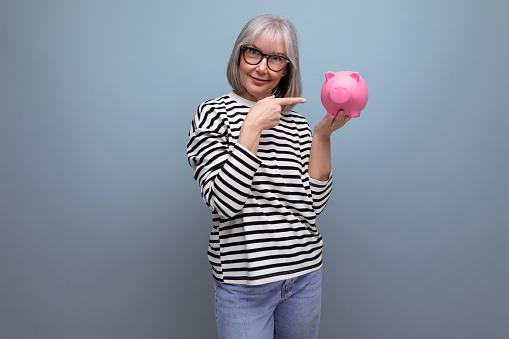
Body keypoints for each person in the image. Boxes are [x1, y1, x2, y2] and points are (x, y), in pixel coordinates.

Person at [186, 14, 350, 339]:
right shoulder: (212, 114)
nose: (262, 67)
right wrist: (252, 125)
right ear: (239, 54)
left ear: (286, 69)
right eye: (253, 53)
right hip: (244, 285)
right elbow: (224, 203)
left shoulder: (298, 125)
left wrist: (321, 137)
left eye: (275, 59)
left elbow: (313, 206)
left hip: (304, 275)